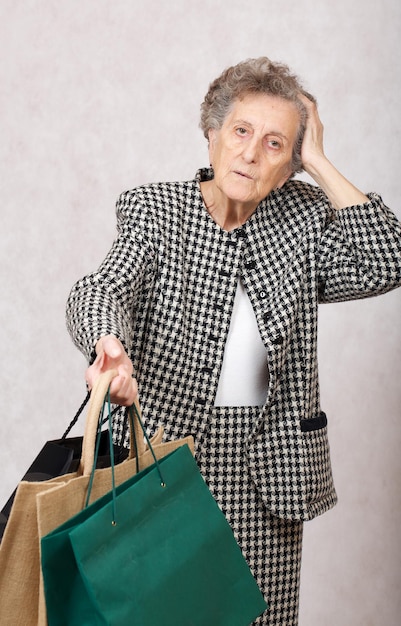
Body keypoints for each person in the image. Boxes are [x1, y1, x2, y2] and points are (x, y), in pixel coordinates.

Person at [66, 57, 401, 625]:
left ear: (290, 162)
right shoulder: (156, 211)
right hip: (164, 461)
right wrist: (106, 341)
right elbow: (102, 287)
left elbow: (387, 258)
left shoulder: (303, 220)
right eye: (241, 131)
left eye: (275, 144)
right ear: (213, 133)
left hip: (267, 476)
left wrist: (316, 159)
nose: (250, 153)